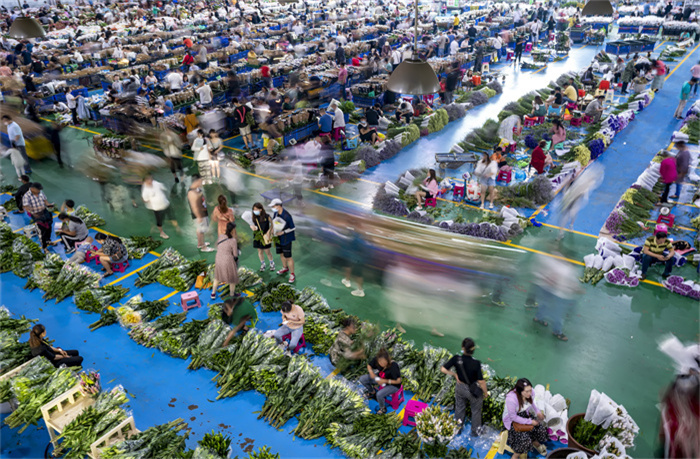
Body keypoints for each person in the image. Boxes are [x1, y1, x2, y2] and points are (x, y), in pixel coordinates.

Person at [441, 338, 488, 435]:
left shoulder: (456, 359)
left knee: (459, 407)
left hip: (460, 387)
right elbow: (481, 381)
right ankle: (475, 431)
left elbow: (443, 369)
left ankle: (457, 428)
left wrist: (454, 374)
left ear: (463, 348)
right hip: (472, 390)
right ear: (473, 350)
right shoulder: (476, 364)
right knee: (476, 410)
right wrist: (485, 392)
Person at [502, 378, 549, 458]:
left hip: (524, 415)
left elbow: (532, 402)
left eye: (530, 390)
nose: (529, 393)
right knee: (524, 439)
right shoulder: (511, 399)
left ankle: (535, 443)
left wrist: (537, 411)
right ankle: (515, 456)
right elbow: (513, 417)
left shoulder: (530, 393)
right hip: (512, 421)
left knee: (540, 428)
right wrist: (530, 422)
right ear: (520, 391)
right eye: (526, 391)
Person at [359, 348, 402, 414]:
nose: (381, 363)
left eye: (383, 362)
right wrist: (372, 373)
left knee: (379, 394)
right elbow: (369, 365)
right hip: (380, 378)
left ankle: (383, 408)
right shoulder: (377, 360)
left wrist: (385, 381)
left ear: (387, 360)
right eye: (380, 362)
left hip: (393, 384)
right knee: (363, 379)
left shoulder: (393, 366)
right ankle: (372, 392)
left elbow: (398, 381)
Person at [141, 175, 177, 240]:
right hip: (157, 208)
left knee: (172, 216)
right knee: (159, 221)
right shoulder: (145, 190)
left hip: (166, 204)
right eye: (148, 180)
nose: (150, 181)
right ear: (145, 181)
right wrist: (150, 199)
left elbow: (163, 187)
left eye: (151, 179)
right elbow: (144, 200)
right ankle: (161, 233)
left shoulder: (155, 183)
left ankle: (177, 229)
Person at [211, 222, 239, 300]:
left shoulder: (221, 236)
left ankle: (213, 293)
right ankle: (232, 294)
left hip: (218, 258)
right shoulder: (233, 240)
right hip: (227, 260)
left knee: (217, 277)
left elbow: (217, 245)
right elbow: (235, 254)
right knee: (232, 278)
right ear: (233, 230)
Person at [22, 182, 53, 252]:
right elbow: (26, 207)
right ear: (32, 189)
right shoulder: (27, 196)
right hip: (36, 214)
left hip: (44, 212)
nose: (39, 191)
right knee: (41, 231)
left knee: (49, 227)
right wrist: (32, 213)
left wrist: (49, 205)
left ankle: (48, 240)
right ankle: (44, 247)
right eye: (38, 190)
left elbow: (45, 201)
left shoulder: (41, 193)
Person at [271, 198, 296, 283]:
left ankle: (292, 274)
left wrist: (283, 232)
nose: (272, 208)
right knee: (281, 254)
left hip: (286, 238)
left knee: (288, 257)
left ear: (279, 206)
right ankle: (285, 268)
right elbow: (274, 223)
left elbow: (293, 228)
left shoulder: (287, 216)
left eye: (273, 206)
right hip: (278, 238)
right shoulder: (275, 213)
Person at [188, 174, 214, 252]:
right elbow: (194, 207)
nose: (202, 183)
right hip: (199, 214)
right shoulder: (192, 193)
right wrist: (199, 217)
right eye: (201, 181)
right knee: (202, 230)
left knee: (199, 229)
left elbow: (201, 198)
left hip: (203, 211)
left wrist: (208, 203)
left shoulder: (197, 189)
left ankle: (200, 243)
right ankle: (204, 248)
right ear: (197, 181)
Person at [250, 202, 275, 272]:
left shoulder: (267, 216)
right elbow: (251, 224)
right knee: (260, 251)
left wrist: (270, 231)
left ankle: (272, 263)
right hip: (257, 236)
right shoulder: (254, 217)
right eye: (254, 209)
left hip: (265, 236)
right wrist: (252, 227)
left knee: (267, 251)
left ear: (261, 209)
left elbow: (272, 223)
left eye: (256, 209)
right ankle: (263, 264)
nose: (255, 211)